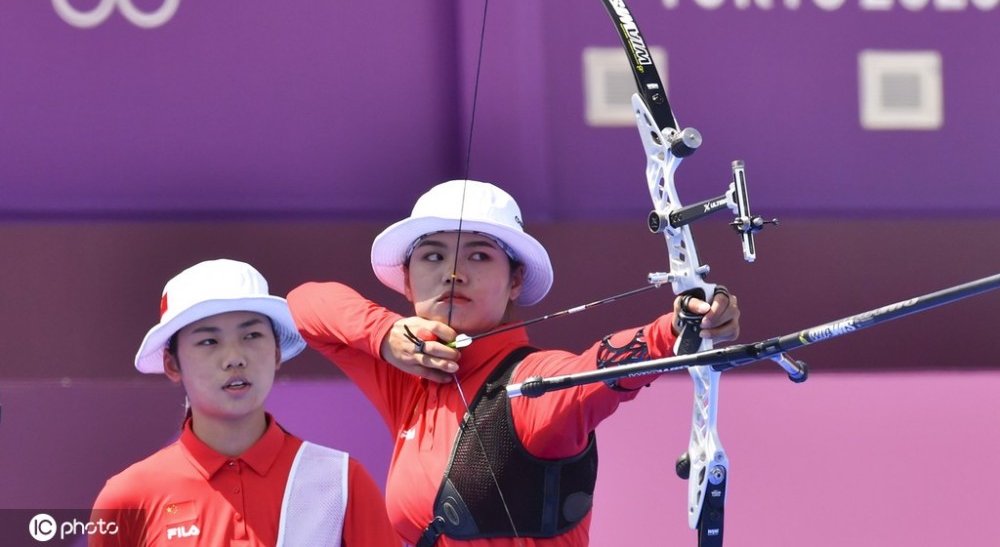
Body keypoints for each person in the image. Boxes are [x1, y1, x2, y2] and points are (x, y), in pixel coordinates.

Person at [287, 180, 741, 547]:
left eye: (479, 255)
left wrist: (677, 328)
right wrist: (385, 334)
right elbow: (304, 305)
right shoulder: (408, 375)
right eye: (433, 256)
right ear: (406, 281)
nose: (452, 272)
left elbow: (591, 376)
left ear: (515, 280)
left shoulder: (532, 385)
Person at [90, 259, 399, 546]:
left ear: (277, 353)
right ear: (172, 364)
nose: (235, 358)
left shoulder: (341, 481)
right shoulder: (127, 498)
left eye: (251, 335)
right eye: (208, 341)